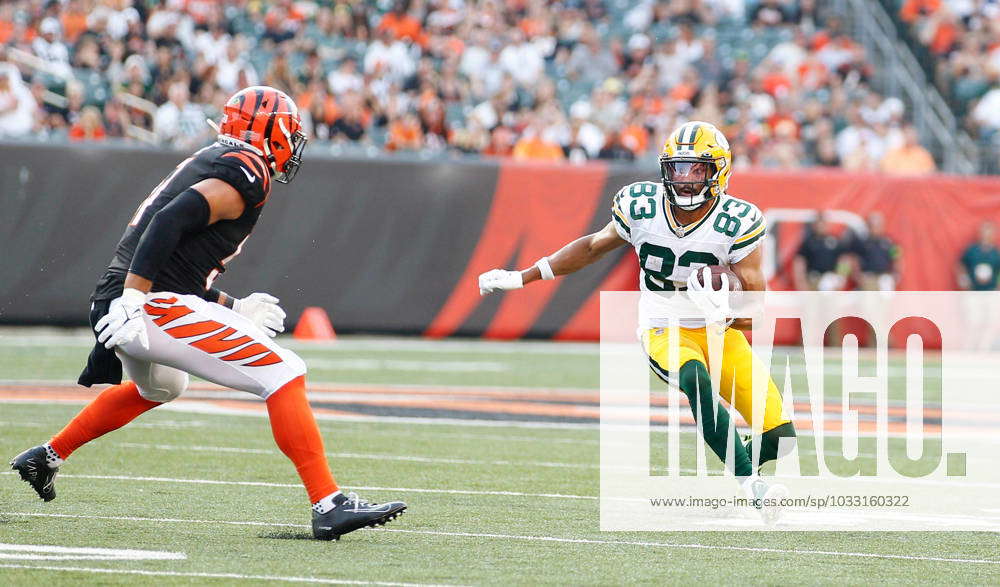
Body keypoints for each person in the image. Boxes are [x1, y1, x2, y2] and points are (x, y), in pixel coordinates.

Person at [10, 86, 406, 541]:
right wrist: (135, 299)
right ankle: (328, 503)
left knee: (162, 386)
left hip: (128, 298)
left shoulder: (219, 158)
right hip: (143, 303)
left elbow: (178, 263)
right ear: (268, 131)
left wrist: (233, 306)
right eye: (289, 133)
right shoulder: (248, 168)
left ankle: (47, 456)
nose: (293, 146)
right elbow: (169, 222)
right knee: (284, 371)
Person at [479, 121, 796, 523]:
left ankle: (742, 461)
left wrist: (727, 307)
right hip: (664, 323)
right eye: (677, 168)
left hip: (719, 329)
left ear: (719, 171)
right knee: (695, 381)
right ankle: (753, 487)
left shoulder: (738, 220)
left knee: (780, 439)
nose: (683, 180)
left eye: (695, 170)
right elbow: (592, 246)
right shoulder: (642, 205)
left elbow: (755, 308)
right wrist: (525, 275)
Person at [793, 212, 849, 291]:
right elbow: (799, 262)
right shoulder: (808, 242)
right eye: (819, 223)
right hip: (813, 279)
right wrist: (801, 283)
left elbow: (844, 260)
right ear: (814, 225)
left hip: (831, 280)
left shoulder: (836, 241)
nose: (821, 226)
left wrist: (841, 279)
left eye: (823, 223)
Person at [849, 212, 900, 291]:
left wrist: (896, 275)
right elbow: (853, 259)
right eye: (872, 225)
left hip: (884, 276)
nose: (875, 228)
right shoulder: (861, 242)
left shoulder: (891, 242)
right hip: (868, 275)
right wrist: (858, 276)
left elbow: (897, 259)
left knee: (886, 289)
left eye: (878, 225)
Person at [958, 221, 1000, 291]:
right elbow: (960, 264)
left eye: (990, 233)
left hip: (991, 291)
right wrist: (963, 278)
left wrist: (998, 288)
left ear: (994, 235)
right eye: (985, 232)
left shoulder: (997, 253)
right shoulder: (971, 250)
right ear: (980, 234)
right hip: (973, 290)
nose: (987, 235)